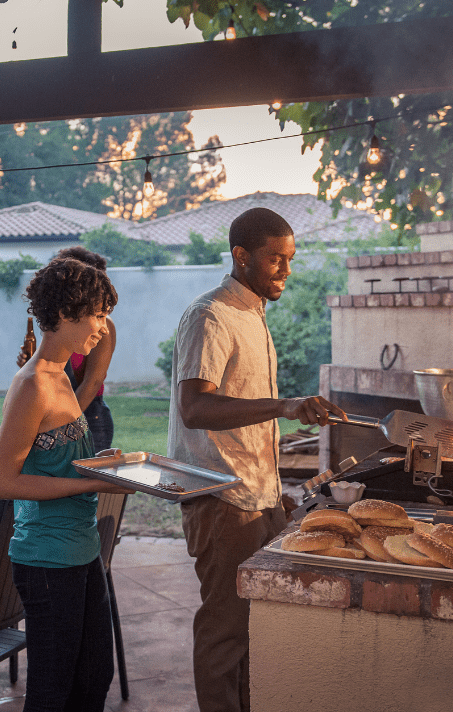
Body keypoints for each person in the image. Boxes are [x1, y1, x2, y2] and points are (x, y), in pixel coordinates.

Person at [168, 208, 346, 712]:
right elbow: (195, 407)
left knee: (255, 630)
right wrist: (287, 406)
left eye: (290, 259)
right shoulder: (210, 316)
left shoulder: (253, 314)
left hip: (257, 497)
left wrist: (275, 492)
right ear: (241, 256)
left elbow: (243, 414)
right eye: (275, 260)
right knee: (226, 633)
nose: (286, 270)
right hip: (221, 499)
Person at [0, 257, 129, 712]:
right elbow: (0, 480)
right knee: (52, 692)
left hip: (80, 550)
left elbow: (57, 460)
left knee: (93, 676)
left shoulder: (62, 375)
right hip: (47, 559)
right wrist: (88, 484)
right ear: (67, 313)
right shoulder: (32, 385)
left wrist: (102, 466)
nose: (103, 327)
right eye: (98, 315)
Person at [17, 246, 117, 451]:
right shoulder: (30, 383)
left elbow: (93, 381)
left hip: (89, 410)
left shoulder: (101, 331)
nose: (103, 328)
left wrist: (65, 426)